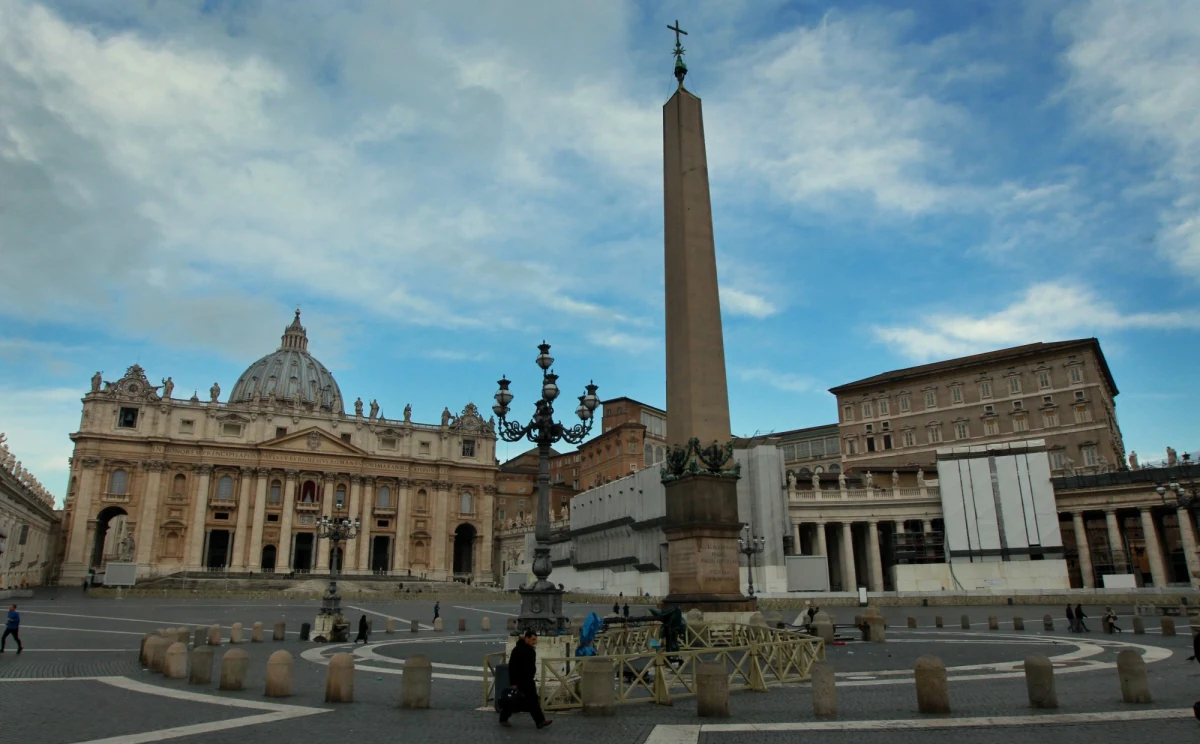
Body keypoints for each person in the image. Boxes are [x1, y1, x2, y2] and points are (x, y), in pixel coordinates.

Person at [500, 631, 552, 729]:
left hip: (528, 680)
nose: (534, 642)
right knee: (515, 700)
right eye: (532, 639)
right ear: (527, 638)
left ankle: (540, 721)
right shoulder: (517, 650)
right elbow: (512, 667)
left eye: (535, 640)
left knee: (532, 700)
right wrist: (513, 682)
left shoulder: (530, 650)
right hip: (520, 681)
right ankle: (504, 718)